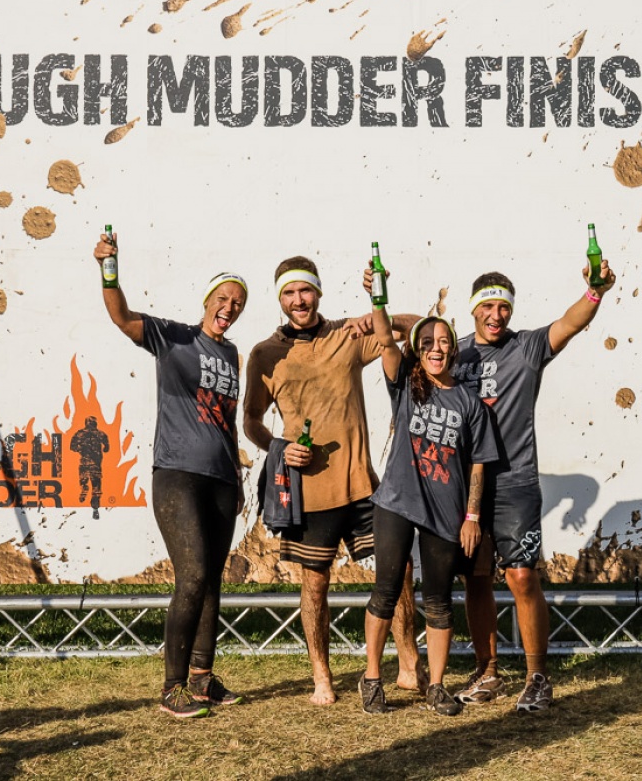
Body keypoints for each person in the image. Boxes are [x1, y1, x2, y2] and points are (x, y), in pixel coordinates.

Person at [242, 256, 426, 705]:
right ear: (280, 298)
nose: (298, 300)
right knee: (315, 584)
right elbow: (250, 421)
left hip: (362, 484)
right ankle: (321, 678)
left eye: (305, 290)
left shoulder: (348, 334)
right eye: (289, 293)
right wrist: (279, 447)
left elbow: (421, 329)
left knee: (399, 570)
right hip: (309, 492)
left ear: (318, 292)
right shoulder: (265, 354)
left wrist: (379, 311)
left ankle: (408, 666)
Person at [93, 231, 248, 719]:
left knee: (212, 580)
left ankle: (202, 678)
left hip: (222, 479)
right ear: (207, 300)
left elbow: (226, 423)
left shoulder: (232, 355)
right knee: (193, 573)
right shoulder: (175, 336)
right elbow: (122, 317)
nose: (229, 308)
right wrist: (108, 270)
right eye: (223, 299)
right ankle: (172, 687)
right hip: (178, 475)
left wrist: (238, 479)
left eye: (237, 303)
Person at [451, 258, 616, 713]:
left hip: (516, 482)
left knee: (522, 576)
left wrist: (595, 292)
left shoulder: (526, 347)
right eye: (488, 306)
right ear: (473, 309)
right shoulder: (455, 354)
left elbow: (570, 322)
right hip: (467, 487)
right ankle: (487, 672)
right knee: (476, 580)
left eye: (504, 307)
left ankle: (537, 677)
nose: (496, 315)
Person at [360, 295, 498, 717]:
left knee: (438, 599)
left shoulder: (469, 402)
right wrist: (378, 299)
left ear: (453, 349)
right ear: (417, 351)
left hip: (446, 512)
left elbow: (478, 464)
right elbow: (386, 339)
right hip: (396, 503)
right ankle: (371, 678)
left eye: (443, 342)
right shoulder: (405, 384)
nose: (435, 349)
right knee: (386, 591)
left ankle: (436, 686)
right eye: (426, 343)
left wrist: (472, 517)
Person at [69, 416, 109, 519]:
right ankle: (95, 508)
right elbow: (106, 445)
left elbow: (72, 446)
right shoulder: (100, 433)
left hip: (85, 463)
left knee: (83, 480)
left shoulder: (80, 433)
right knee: (96, 486)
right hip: (95, 464)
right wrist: (104, 448)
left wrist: (81, 448)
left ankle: (84, 489)